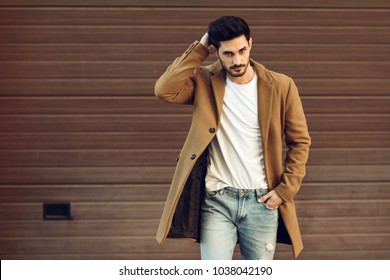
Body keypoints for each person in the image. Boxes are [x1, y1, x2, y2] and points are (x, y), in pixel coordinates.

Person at [154, 16, 311, 260]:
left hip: (262, 200)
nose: (237, 60)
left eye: (242, 50)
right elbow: (165, 90)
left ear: (250, 44)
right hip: (217, 199)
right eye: (228, 54)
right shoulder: (204, 81)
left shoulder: (281, 85)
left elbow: (300, 141)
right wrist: (200, 49)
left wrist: (286, 190)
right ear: (215, 51)